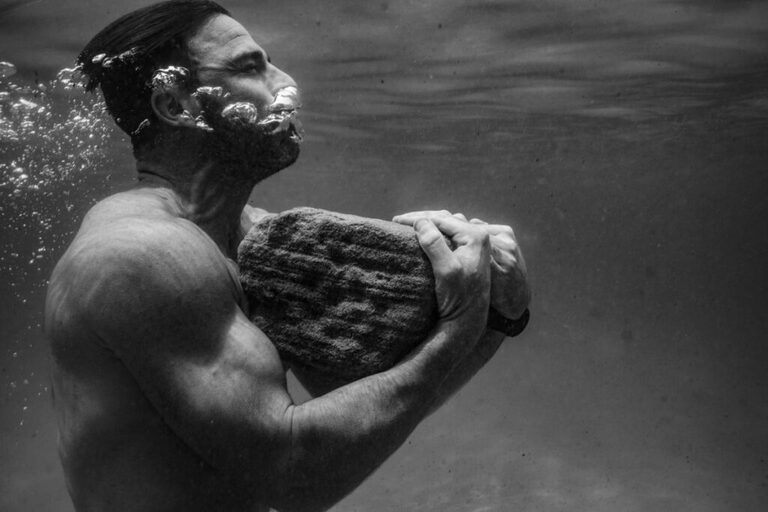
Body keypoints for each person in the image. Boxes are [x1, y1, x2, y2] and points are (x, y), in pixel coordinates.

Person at [44, 1, 531, 511]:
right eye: (249, 67)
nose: (288, 85)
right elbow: (293, 471)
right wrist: (459, 325)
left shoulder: (248, 231)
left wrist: (499, 314)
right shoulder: (140, 256)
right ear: (176, 104)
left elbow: (371, 408)